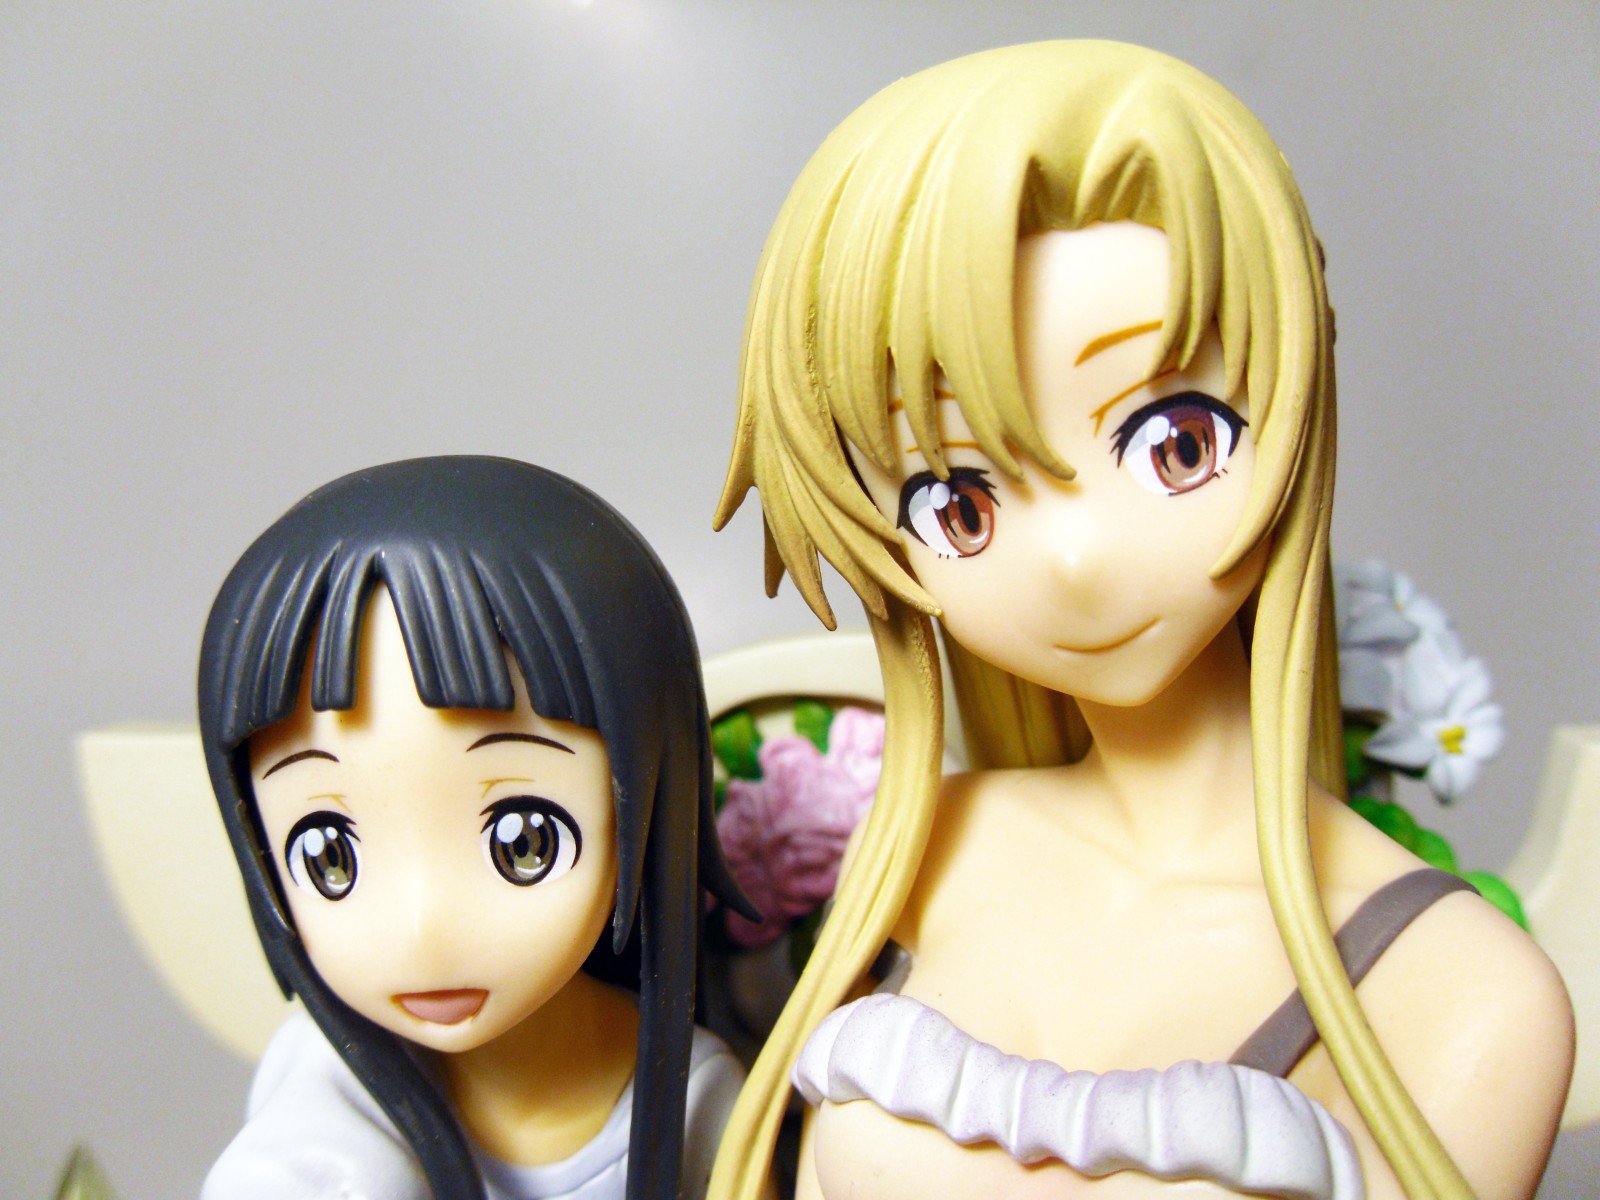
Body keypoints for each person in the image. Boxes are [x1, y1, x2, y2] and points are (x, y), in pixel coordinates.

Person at [709, 41, 1572, 1200]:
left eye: (1176, 443)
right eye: (958, 503)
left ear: (1295, 401)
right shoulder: (934, 851)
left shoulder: (1460, 991)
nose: (1073, 561)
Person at [199, 456, 751, 1200]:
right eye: (330, 856)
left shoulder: (691, 1096)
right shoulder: (322, 1076)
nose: (423, 932)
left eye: (524, 841)